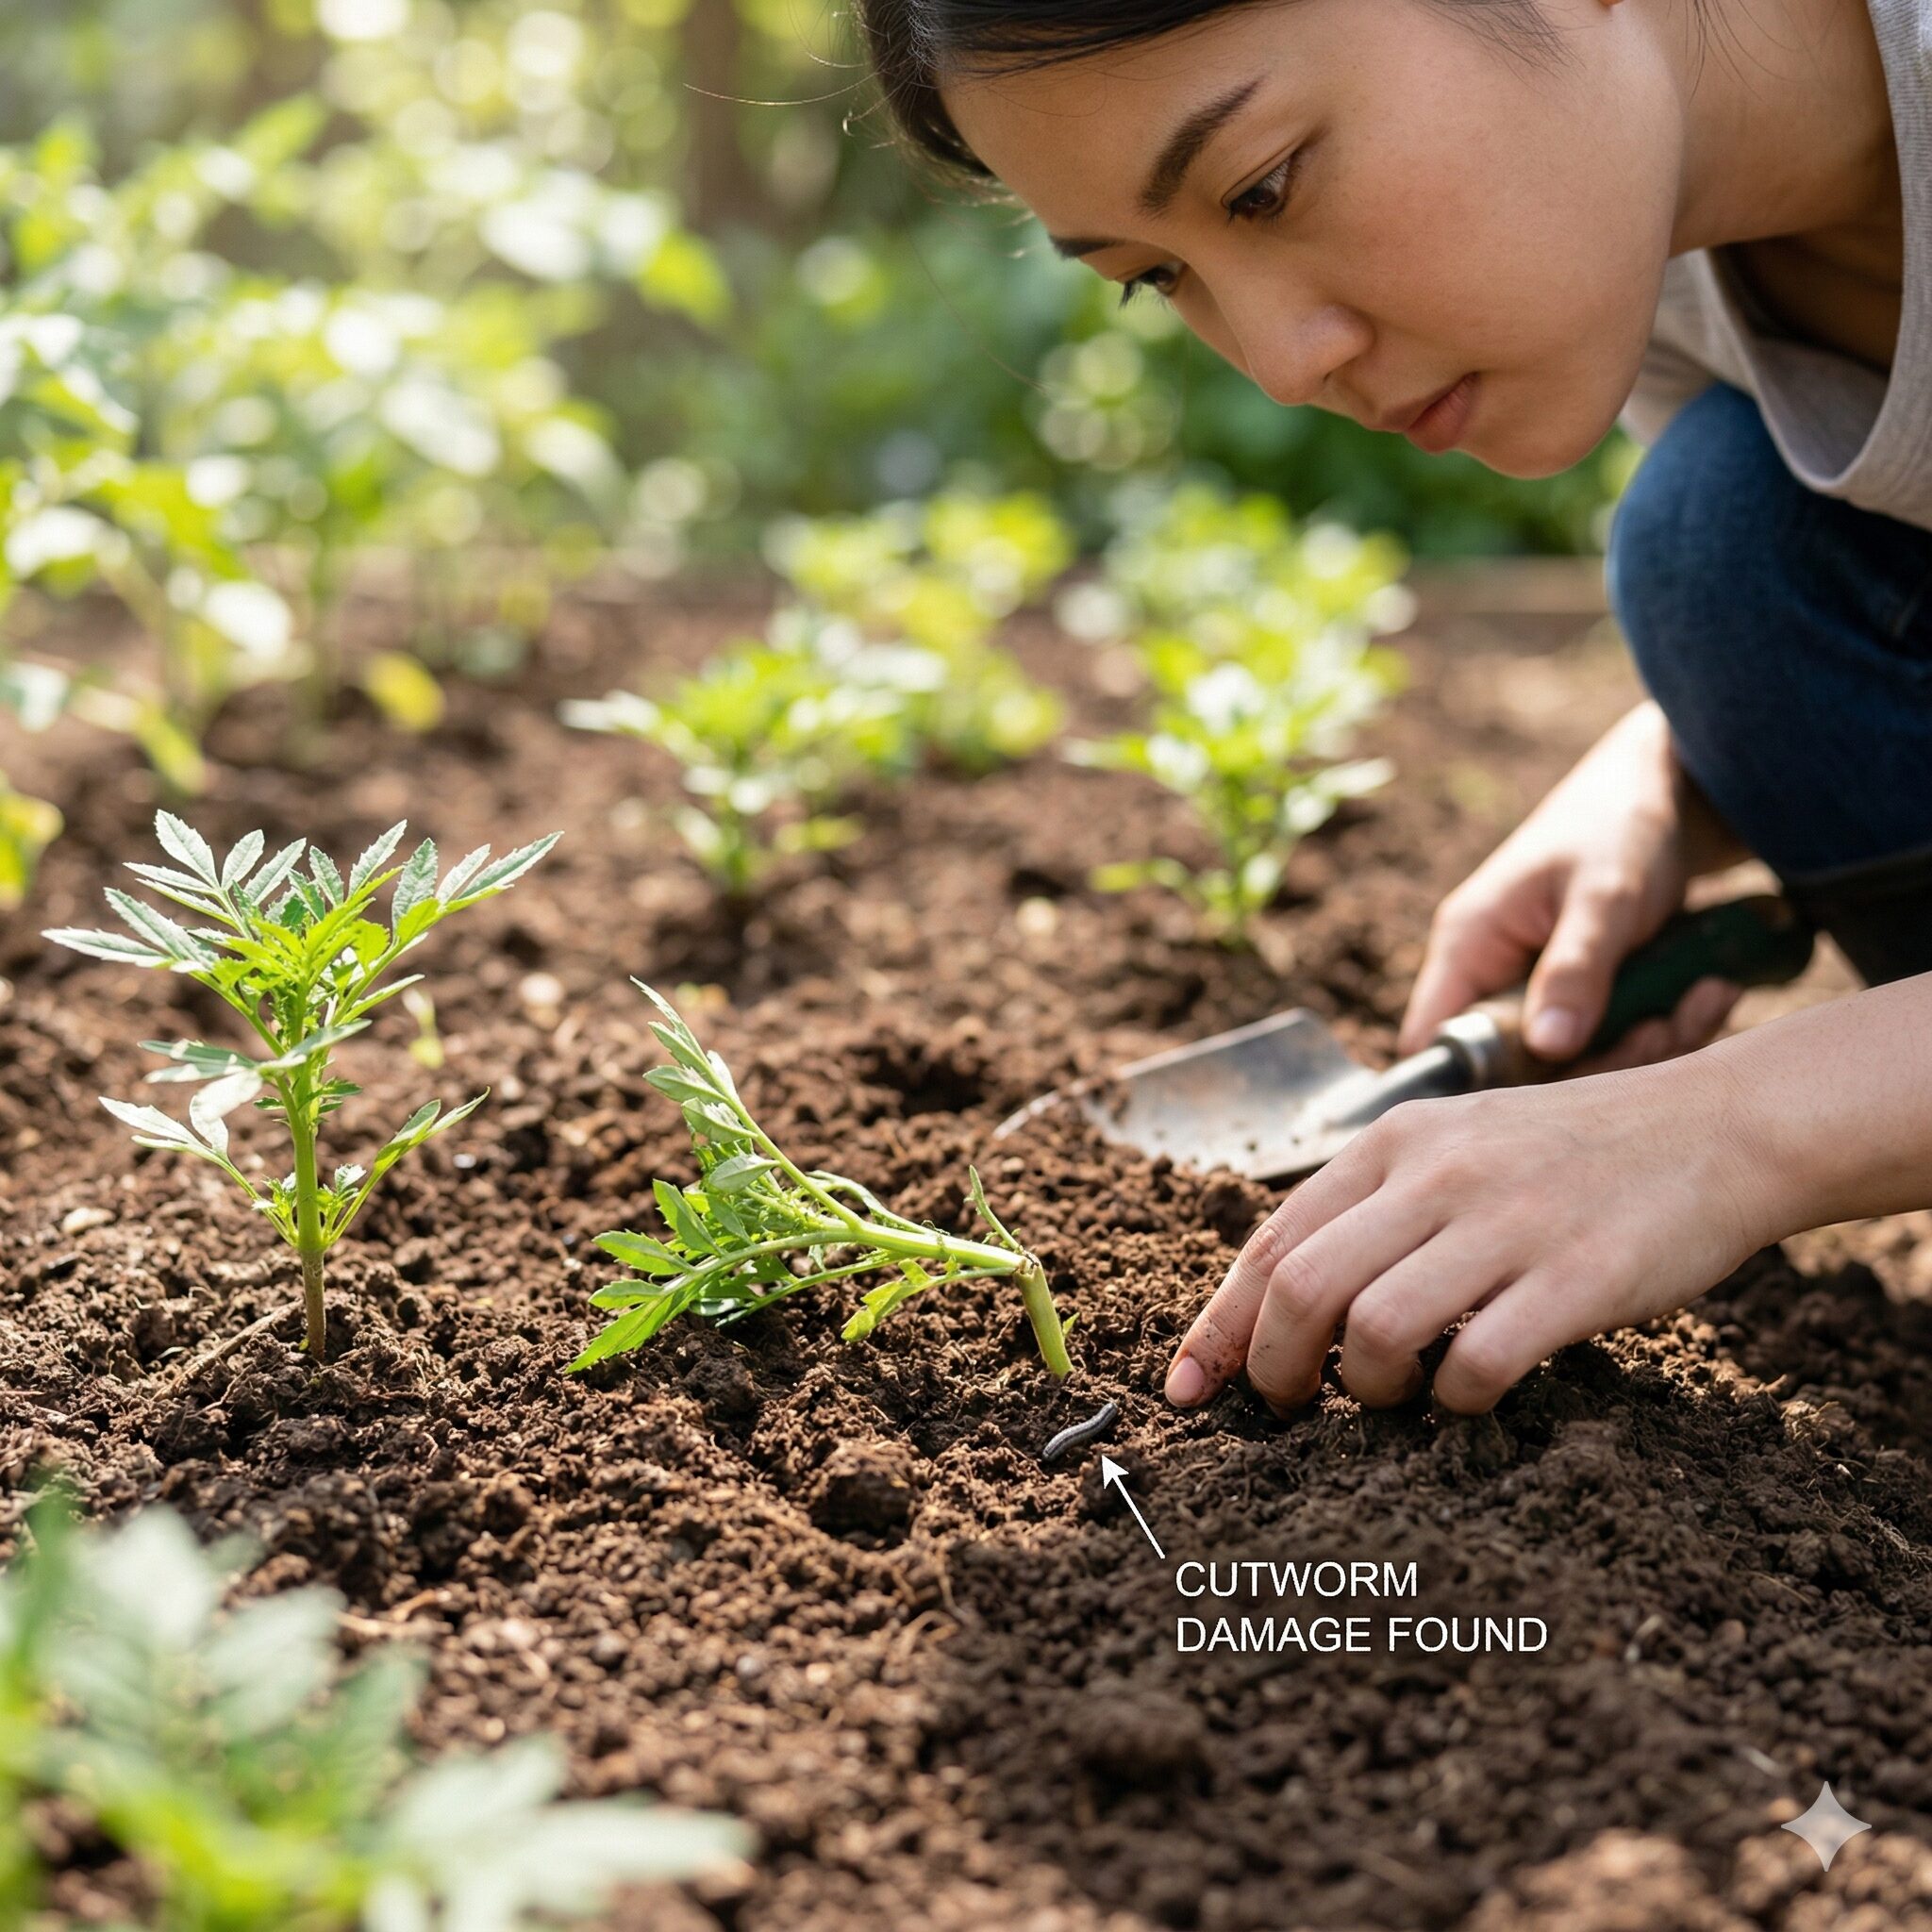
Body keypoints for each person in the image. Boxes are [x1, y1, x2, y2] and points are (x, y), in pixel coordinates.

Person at [853, 0, 1932, 1413]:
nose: (1284, 361)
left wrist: (1731, 1131)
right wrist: (1684, 773)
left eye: (1263, 185)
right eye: (1156, 274)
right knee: (1724, 549)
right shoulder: (1671, 236)